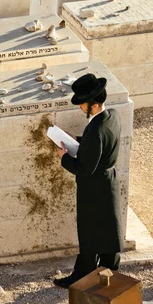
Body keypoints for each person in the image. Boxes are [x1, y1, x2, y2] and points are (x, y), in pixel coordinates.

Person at [53, 73, 123, 289]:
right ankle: (110, 268)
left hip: (93, 186)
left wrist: (64, 157)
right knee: (107, 227)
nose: (80, 108)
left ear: (92, 104)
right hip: (107, 181)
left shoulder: (96, 130)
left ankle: (83, 273)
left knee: (90, 229)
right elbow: (100, 146)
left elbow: (84, 169)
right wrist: (80, 143)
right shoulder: (112, 116)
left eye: (82, 104)